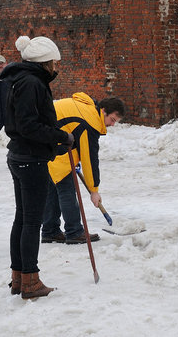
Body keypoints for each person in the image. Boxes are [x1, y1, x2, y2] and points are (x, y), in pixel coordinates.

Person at [1, 35, 73, 300]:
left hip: (21, 155)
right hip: (30, 160)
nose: (56, 66)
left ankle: (19, 277)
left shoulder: (21, 80)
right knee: (31, 222)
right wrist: (60, 136)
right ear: (44, 62)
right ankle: (30, 281)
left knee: (23, 219)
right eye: (54, 61)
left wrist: (54, 142)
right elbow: (28, 125)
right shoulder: (31, 83)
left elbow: (25, 124)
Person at [42, 95, 125, 244]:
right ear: (104, 111)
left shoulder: (88, 108)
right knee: (66, 189)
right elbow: (89, 158)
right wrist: (94, 190)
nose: (112, 124)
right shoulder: (90, 121)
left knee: (53, 189)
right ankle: (74, 232)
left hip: (45, 143)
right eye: (112, 119)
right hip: (53, 147)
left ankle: (50, 231)